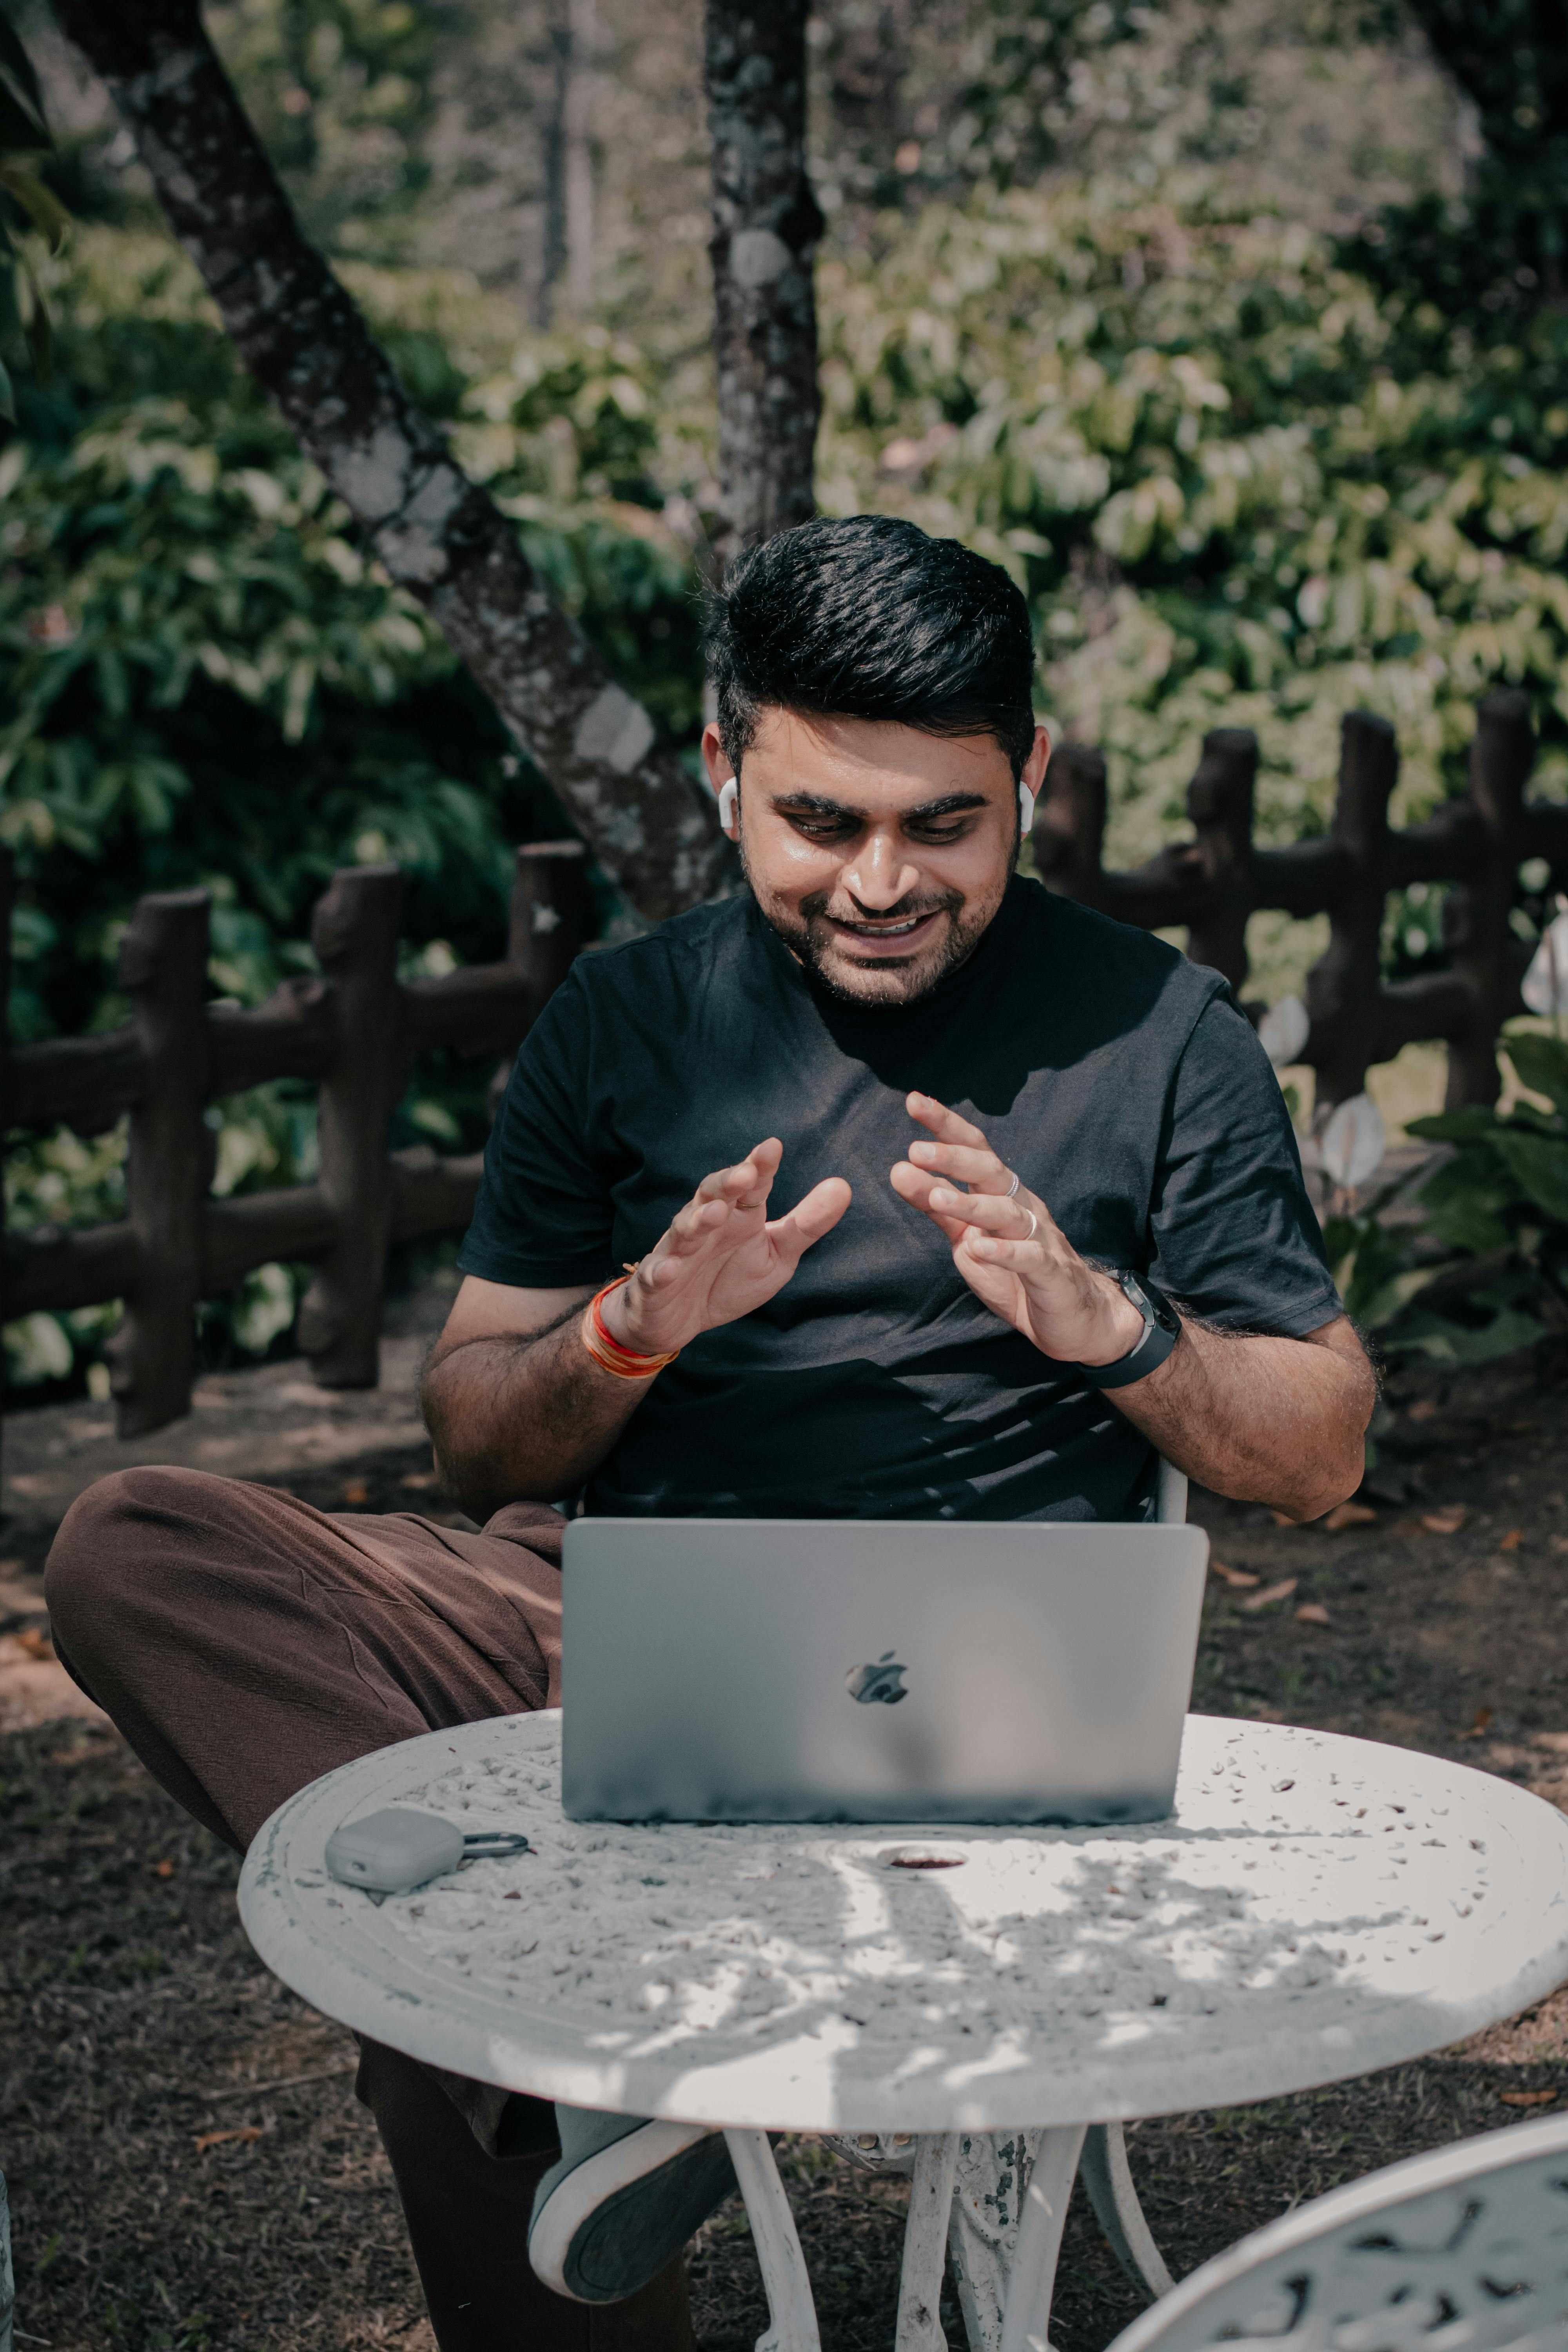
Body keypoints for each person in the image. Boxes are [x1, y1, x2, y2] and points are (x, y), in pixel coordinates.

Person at [44, 515, 1374, 2352]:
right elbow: (473, 1444)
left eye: (945, 824)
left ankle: (524, 2053)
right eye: (822, 821)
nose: (883, 879)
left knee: (425, 2026)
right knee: (132, 1544)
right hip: (601, 1633)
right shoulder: (628, 1019)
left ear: (1034, 780)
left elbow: (1318, 1449)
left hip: (971, 1686)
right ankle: (562, 2066)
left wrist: (1112, 1325)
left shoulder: (1161, 1037)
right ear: (722, 767)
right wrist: (627, 1330)